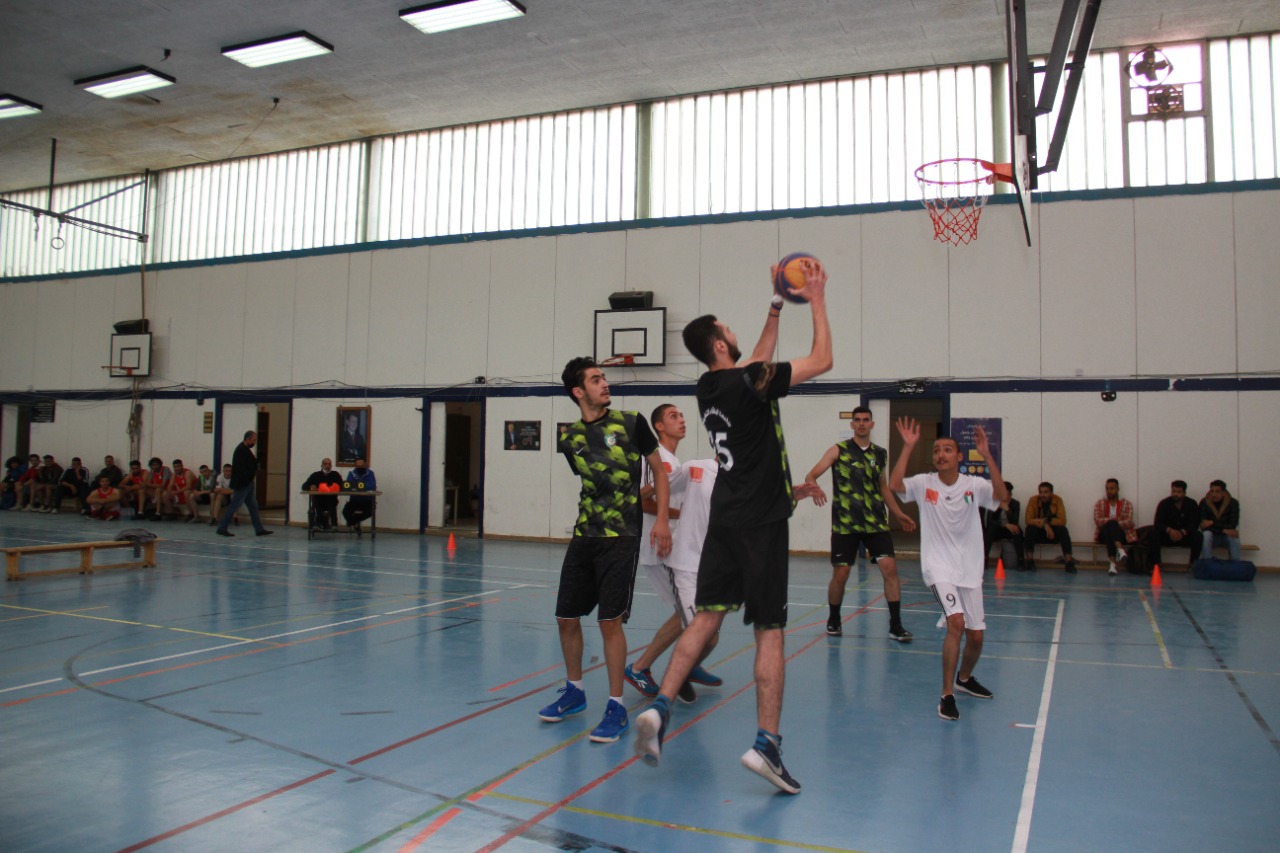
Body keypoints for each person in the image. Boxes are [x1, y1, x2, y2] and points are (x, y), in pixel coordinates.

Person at [634, 257, 831, 795]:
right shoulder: (751, 381)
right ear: (721, 343)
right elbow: (823, 359)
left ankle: (659, 707)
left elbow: (756, 360)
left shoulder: (709, 386)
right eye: (728, 329)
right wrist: (814, 298)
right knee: (770, 629)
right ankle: (766, 744)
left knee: (706, 618)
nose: (736, 333)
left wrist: (776, 304)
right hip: (761, 520)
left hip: (724, 517)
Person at [538, 357, 671, 746]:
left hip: (622, 536)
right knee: (566, 617)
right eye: (596, 379)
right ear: (578, 391)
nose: (604, 383)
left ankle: (615, 707)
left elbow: (659, 472)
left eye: (604, 377)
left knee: (610, 622)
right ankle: (575, 691)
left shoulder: (631, 423)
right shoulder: (570, 438)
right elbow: (591, 483)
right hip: (585, 535)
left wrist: (662, 520)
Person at [890, 418, 1005, 722]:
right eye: (936, 450)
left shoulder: (973, 485)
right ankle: (946, 695)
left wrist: (988, 455)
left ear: (959, 456)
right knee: (956, 623)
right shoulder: (924, 483)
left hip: (969, 569)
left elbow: (1000, 496)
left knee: (976, 636)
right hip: (938, 566)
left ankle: (964, 679)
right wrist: (908, 446)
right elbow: (895, 485)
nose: (941, 454)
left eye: (947, 450)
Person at [624, 404, 722, 704]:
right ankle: (642, 668)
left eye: (682, 416)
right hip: (660, 548)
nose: (681, 420)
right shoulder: (655, 459)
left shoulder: (674, 461)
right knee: (691, 618)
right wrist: (684, 514)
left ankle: (689, 663)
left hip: (676, 546)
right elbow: (644, 502)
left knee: (692, 615)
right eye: (673, 416)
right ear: (659, 426)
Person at [804, 406, 917, 641]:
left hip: (875, 523)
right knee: (842, 573)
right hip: (845, 524)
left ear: (872, 424)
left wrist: (897, 513)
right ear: (852, 424)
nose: (862, 423)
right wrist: (814, 487)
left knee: (890, 569)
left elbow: (883, 487)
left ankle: (896, 625)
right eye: (858, 420)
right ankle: (834, 618)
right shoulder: (838, 450)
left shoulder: (880, 453)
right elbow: (811, 475)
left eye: (866, 420)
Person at [215, 431, 273, 537]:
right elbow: (242, 469)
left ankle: (259, 529)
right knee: (234, 505)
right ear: (248, 439)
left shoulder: (245, 450)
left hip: (247, 483)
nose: (254, 442)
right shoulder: (241, 451)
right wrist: (248, 477)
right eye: (253, 440)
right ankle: (222, 527)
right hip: (243, 484)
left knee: (253, 506)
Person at [1024, 482, 1078, 573]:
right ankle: (1030, 561)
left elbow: (1062, 521)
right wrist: (1044, 525)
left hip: (1053, 534)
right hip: (1038, 533)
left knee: (1063, 530)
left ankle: (1069, 562)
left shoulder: (1058, 500)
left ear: (1051, 493)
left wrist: (1047, 522)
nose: (1042, 495)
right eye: (1040, 492)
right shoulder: (1033, 500)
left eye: (1045, 492)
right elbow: (1028, 520)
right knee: (1030, 529)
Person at [1147, 480, 1201, 568]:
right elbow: (1158, 523)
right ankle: (1156, 565)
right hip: (1168, 536)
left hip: (1184, 536)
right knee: (1154, 534)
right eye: (1174, 491)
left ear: (1184, 493)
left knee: (1198, 536)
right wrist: (1170, 531)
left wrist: (1182, 532)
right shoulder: (1164, 503)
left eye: (1179, 492)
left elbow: (1195, 523)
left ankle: (1193, 565)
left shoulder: (1192, 504)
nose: (1176, 494)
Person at [1093, 478, 1137, 576]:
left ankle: (1112, 565)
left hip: (1122, 535)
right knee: (1111, 525)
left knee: (1111, 530)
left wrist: (1109, 521)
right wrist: (1116, 520)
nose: (1109, 491)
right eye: (1107, 488)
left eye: (1112, 488)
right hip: (1102, 535)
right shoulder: (1100, 503)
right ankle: (1120, 551)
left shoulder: (1126, 504)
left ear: (1118, 489)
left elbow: (1129, 522)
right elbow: (1098, 521)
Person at [982, 481, 1025, 570]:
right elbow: (989, 521)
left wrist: (1007, 509)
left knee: (1016, 530)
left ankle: (1021, 560)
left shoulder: (1015, 503)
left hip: (1010, 530)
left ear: (1010, 494)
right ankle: (985, 558)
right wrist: (1005, 524)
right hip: (998, 529)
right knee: (991, 529)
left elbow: (1015, 521)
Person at [1199, 480, 1241, 562]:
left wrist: (1212, 522)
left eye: (1217, 491)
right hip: (1212, 536)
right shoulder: (1204, 502)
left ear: (1223, 492)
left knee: (1234, 537)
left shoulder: (1233, 503)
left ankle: (1236, 565)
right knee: (1206, 534)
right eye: (1212, 491)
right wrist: (1223, 530)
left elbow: (1232, 524)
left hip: (1226, 537)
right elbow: (1204, 526)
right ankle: (1208, 564)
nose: (1214, 494)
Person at [301, 458, 344, 530]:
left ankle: (334, 524)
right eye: (325, 464)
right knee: (317, 503)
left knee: (331, 503)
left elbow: (341, 486)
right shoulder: (315, 475)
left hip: (331, 499)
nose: (327, 465)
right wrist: (312, 488)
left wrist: (332, 488)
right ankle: (318, 524)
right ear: (322, 465)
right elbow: (304, 486)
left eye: (329, 464)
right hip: (319, 498)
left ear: (331, 466)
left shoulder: (335, 475)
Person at [342, 459, 377, 534]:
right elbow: (349, 485)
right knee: (345, 512)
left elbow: (372, 486)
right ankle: (355, 524)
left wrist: (358, 486)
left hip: (367, 500)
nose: (360, 467)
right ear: (355, 466)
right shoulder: (351, 473)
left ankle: (352, 522)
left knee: (370, 512)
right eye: (358, 466)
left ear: (365, 465)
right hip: (354, 500)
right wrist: (361, 486)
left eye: (362, 465)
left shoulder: (370, 473)